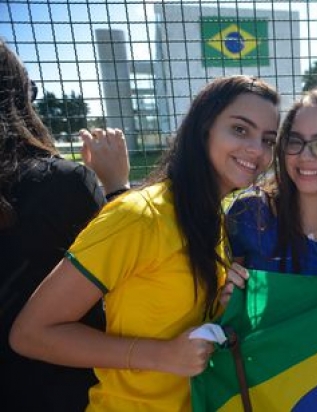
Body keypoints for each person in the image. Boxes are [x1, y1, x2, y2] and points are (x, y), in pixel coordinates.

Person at [10, 75, 280, 411]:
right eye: (240, 129)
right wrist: (162, 355)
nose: (257, 150)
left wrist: (221, 308)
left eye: (268, 139)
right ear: (203, 128)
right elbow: (31, 334)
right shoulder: (139, 216)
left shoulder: (211, 218)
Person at [0, 40, 129, 412]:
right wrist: (117, 188)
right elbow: (127, 284)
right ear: (19, 98)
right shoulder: (61, 183)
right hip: (66, 390)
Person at [221, 89, 317, 304]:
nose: (305, 156)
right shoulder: (249, 212)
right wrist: (226, 298)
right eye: (295, 141)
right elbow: (221, 300)